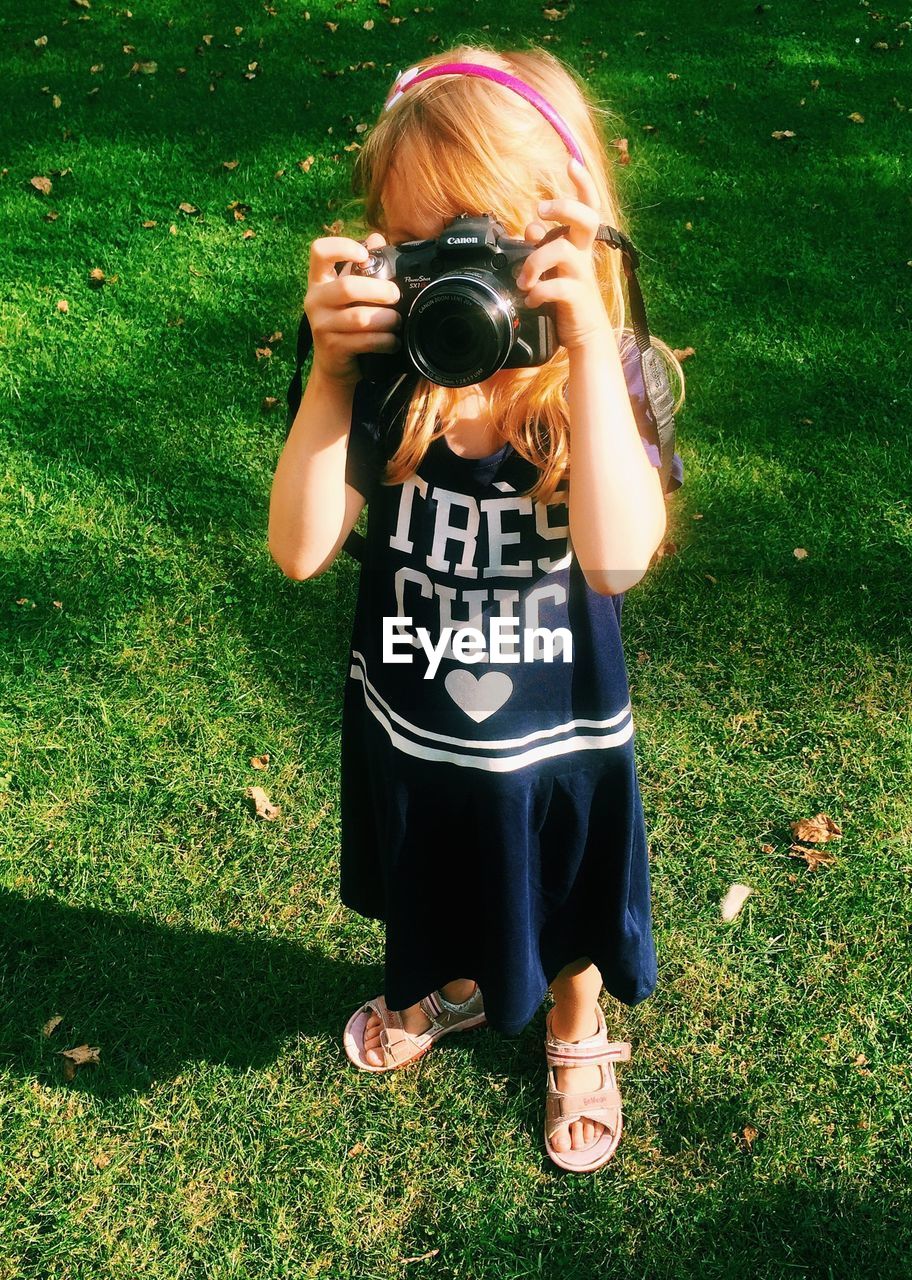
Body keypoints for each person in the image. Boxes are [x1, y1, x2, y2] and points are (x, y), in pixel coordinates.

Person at [267, 44, 685, 1175]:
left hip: (560, 732)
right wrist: (329, 376)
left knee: (568, 885)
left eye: (483, 243)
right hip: (420, 720)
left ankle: (574, 1025)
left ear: (562, 232)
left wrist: (591, 340)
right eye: (416, 246)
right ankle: (453, 986)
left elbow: (618, 559)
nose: (454, 278)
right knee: (443, 865)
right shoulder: (389, 372)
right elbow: (301, 548)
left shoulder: (602, 372)